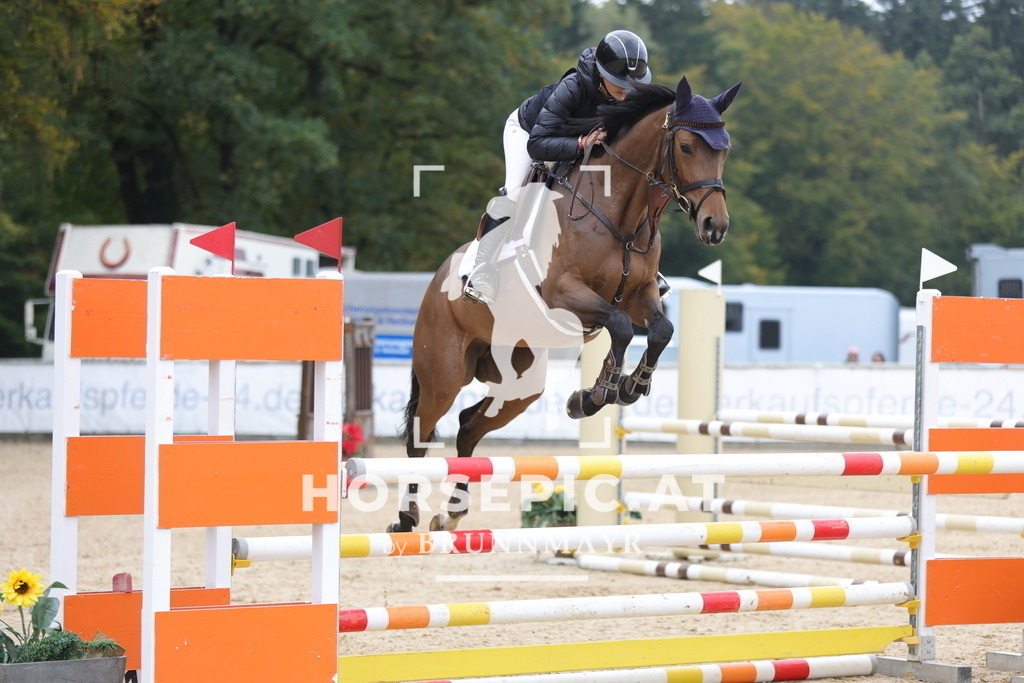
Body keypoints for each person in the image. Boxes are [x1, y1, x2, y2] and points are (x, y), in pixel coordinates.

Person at [464, 30, 652, 305]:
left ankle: (643, 268)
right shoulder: (574, 87)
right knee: (515, 193)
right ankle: (481, 269)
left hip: (580, 140)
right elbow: (538, 144)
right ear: (601, 74)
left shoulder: (630, 93)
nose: (626, 89)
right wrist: (579, 144)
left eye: (632, 83)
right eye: (618, 82)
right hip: (529, 133)